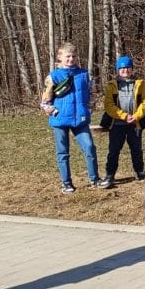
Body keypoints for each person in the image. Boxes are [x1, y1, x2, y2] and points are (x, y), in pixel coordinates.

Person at [41, 42, 104, 193]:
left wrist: (89, 109)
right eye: (67, 56)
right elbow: (45, 100)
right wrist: (52, 111)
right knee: (63, 153)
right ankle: (66, 183)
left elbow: (93, 94)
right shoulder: (53, 76)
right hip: (60, 120)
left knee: (89, 147)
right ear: (60, 57)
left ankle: (95, 179)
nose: (71, 59)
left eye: (73, 56)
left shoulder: (85, 75)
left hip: (80, 120)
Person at [103, 55, 145, 187]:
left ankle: (139, 172)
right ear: (117, 70)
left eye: (128, 67)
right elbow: (108, 105)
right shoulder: (111, 85)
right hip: (117, 125)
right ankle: (110, 175)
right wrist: (124, 116)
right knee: (114, 150)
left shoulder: (139, 84)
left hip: (134, 124)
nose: (125, 70)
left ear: (132, 69)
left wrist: (136, 116)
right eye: (122, 68)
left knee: (136, 149)